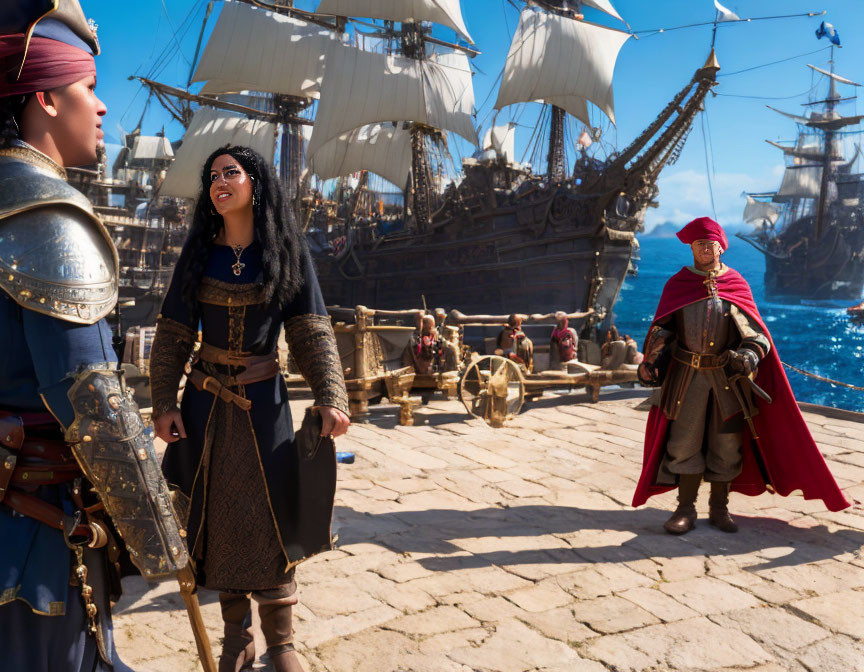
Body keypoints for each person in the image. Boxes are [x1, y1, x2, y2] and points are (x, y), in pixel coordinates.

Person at [0, 3, 184, 669]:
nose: (104, 108)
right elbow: (95, 402)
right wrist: (168, 544)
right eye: (89, 89)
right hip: (34, 543)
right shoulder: (47, 216)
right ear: (46, 98)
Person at [149, 145, 350, 672]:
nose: (219, 181)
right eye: (212, 175)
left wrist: (331, 395)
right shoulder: (198, 253)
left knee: (272, 514)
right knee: (213, 516)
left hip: (264, 409)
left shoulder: (285, 250)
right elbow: (172, 334)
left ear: (254, 184)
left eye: (230, 173)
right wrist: (164, 403)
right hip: (203, 411)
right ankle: (236, 637)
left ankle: (281, 643)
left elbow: (311, 328)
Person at [633, 217, 849, 534]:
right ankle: (685, 509)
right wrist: (652, 359)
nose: (706, 249)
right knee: (683, 443)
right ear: (692, 248)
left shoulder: (736, 283)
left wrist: (748, 354)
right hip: (686, 382)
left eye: (711, 244)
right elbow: (664, 327)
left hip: (726, 383)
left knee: (727, 444)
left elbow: (757, 334)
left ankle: (719, 509)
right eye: (700, 245)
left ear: (722, 246)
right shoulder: (678, 284)